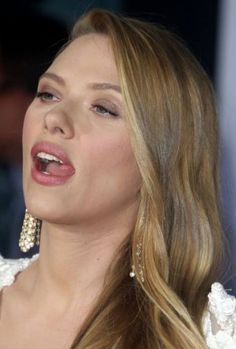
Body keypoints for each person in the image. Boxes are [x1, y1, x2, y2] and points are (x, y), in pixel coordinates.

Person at [0, 8, 235, 349]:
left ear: (158, 159)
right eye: (48, 94)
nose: (54, 117)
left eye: (104, 108)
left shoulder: (209, 337)